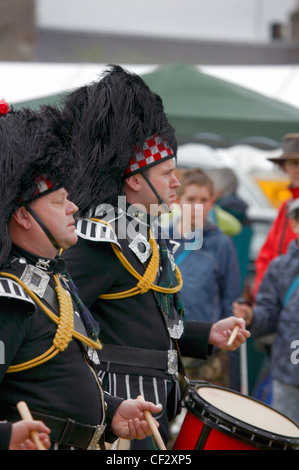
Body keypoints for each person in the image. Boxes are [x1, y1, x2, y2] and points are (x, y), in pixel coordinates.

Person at [62, 65, 250, 449]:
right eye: (166, 173)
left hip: (151, 403)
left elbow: (146, 320)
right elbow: (63, 330)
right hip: (121, 407)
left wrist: (205, 333)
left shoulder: (140, 234)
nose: (177, 183)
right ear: (134, 179)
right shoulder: (98, 241)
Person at [0, 104, 162, 450]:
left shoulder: (52, 278)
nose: (73, 207)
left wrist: (112, 411)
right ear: (23, 216)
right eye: (59, 202)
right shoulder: (10, 300)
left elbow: (53, 382)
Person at [171, 168, 241, 390]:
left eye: (203, 200)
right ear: (178, 200)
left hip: (206, 350)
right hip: (167, 345)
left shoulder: (222, 245)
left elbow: (230, 298)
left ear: (212, 203)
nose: (197, 206)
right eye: (191, 199)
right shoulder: (160, 238)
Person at [233, 197, 299, 425]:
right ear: (294, 225)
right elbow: (268, 314)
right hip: (288, 372)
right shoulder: (280, 267)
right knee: (287, 436)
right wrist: (251, 316)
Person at [253, 134, 299, 299]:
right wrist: (262, 295)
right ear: (284, 167)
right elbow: (267, 254)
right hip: (277, 299)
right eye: (294, 163)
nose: (297, 169)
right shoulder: (285, 207)